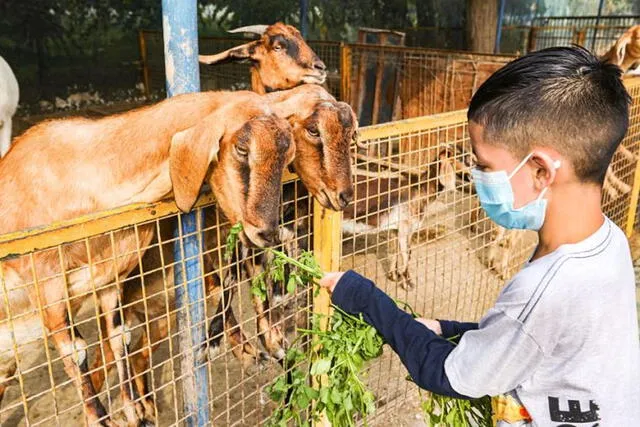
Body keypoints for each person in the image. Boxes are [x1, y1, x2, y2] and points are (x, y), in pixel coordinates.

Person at [319, 46, 640, 426]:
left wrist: (360, 294)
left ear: (540, 171)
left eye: (483, 164)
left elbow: (445, 373)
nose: (476, 176)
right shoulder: (610, 242)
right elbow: (541, 340)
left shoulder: (545, 288)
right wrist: (447, 329)